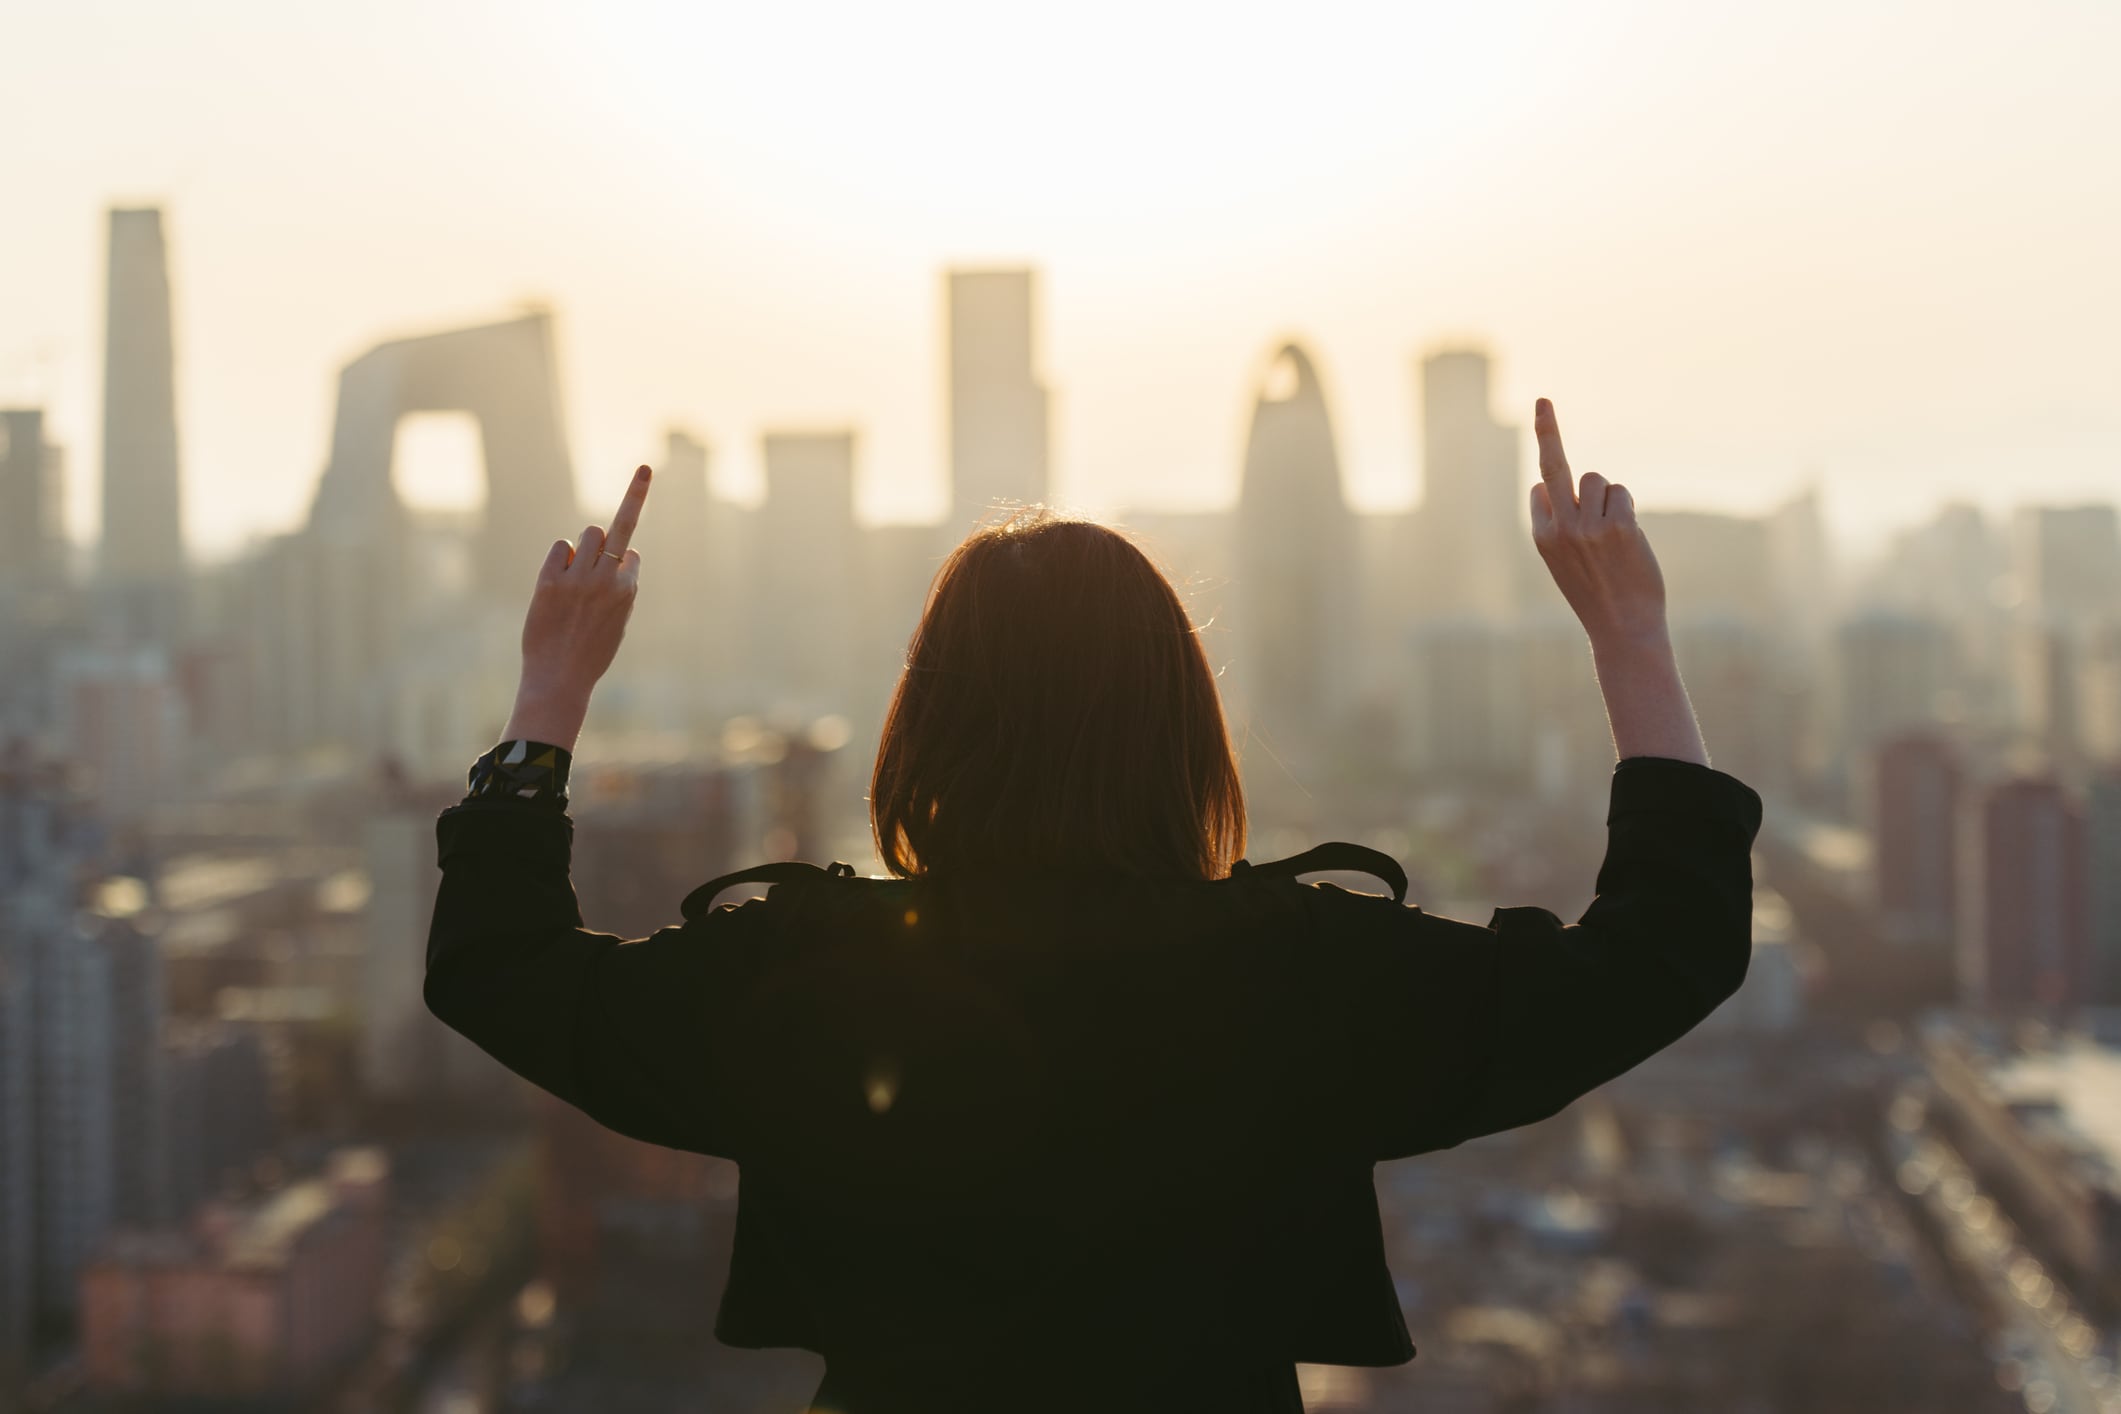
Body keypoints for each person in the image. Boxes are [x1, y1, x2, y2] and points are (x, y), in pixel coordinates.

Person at [425, 399, 1762, 1413]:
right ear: (1179, 724)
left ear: (930, 722)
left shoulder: (809, 976)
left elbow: (499, 966)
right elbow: (1660, 949)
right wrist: (1629, 642)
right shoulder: (1300, 974)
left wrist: (550, 698)